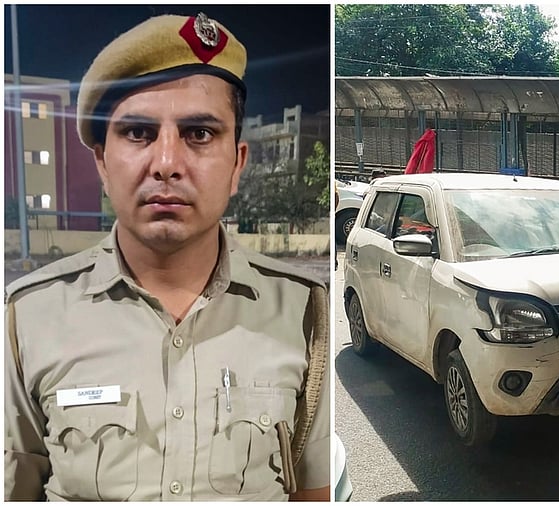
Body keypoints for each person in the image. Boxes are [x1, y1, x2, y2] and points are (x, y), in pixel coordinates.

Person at [4, 13, 330, 501]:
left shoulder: (303, 311)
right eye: (138, 133)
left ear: (237, 163)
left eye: (199, 134)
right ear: (102, 162)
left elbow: (312, 488)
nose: (167, 164)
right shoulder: (27, 316)